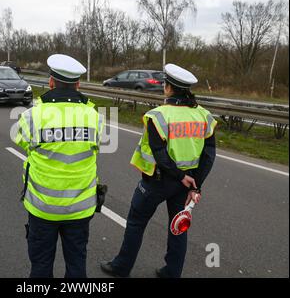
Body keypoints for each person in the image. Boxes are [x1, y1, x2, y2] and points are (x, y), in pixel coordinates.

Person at [100, 64, 217, 278]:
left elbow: (159, 154)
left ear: (169, 88)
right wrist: (195, 183)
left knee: (136, 222)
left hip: (157, 182)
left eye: (165, 84)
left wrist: (180, 176)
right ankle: (171, 273)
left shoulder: (158, 116)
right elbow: (209, 154)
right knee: (178, 228)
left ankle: (121, 267)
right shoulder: (204, 116)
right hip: (186, 183)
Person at [13, 54, 104, 278]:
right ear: (78, 84)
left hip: (42, 208)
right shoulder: (95, 117)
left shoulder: (32, 116)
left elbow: (23, 142)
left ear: (51, 82)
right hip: (80, 209)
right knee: (76, 266)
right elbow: (95, 146)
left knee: (41, 267)